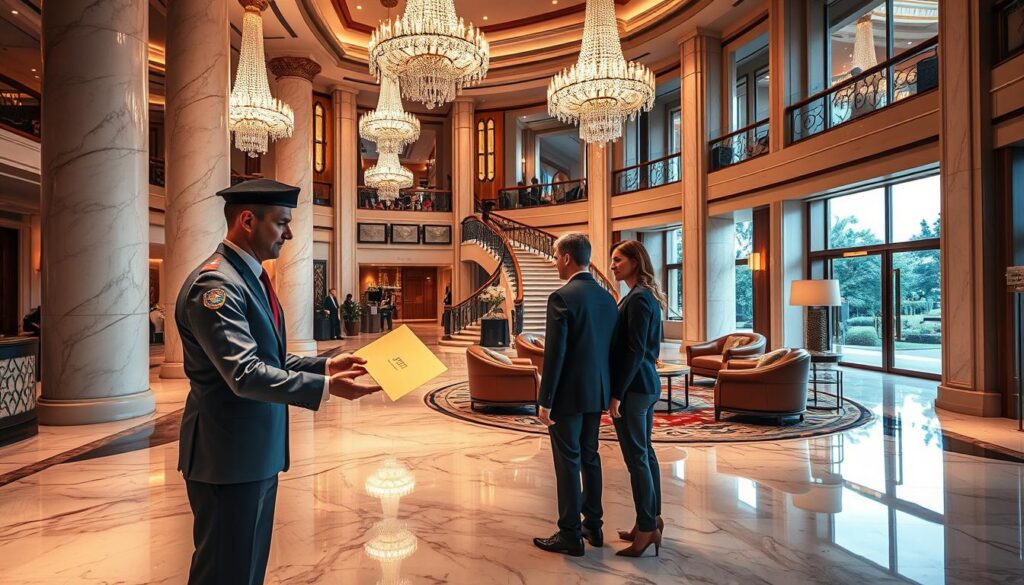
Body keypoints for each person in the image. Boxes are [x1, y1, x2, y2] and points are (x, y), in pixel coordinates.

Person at [175, 178, 382, 585]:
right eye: (282, 222)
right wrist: (326, 389)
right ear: (248, 220)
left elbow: (268, 358)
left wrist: (325, 367)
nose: (289, 233)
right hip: (227, 458)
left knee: (247, 569)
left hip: (252, 454)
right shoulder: (215, 286)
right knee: (224, 572)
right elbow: (245, 373)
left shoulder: (247, 276)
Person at [533, 233, 618, 557]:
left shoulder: (561, 297)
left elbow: (555, 354)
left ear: (567, 258)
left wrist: (546, 399)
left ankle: (569, 533)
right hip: (596, 391)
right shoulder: (607, 298)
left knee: (568, 461)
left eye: (555, 257)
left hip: (567, 395)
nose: (554, 262)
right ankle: (593, 525)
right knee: (589, 456)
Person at [607, 240, 666, 557]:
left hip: (635, 388)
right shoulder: (640, 296)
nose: (613, 265)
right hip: (644, 385)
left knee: (636, 458)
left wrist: (617, 393)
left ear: (634, 261)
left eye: (618, 260)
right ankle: (651, 520)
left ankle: (646, 529)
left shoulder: (640, 299)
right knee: (645, 455)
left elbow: (635, 350)